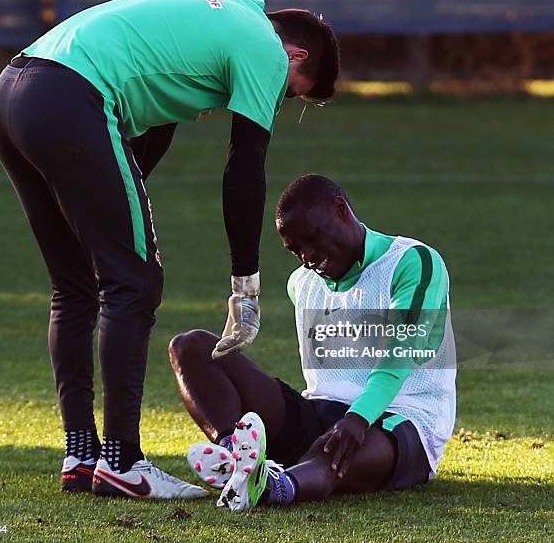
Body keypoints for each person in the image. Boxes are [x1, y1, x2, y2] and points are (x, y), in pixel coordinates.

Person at [0, 0, 340, 499]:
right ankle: (122, 462)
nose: (277, 98)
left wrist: (110, 205)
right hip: (70, 98)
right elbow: (244, 168)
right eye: (290, 91)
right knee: (134, 281)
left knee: (77, 284)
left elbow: (155, 124)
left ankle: (82, 456)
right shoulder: (265, 48)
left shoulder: (225, 9)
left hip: (13, 92)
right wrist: (245, 282)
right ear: (295, 54)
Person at [169, 174, 456, 510]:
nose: (306, 255)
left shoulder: (413, 262)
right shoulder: (301, 283)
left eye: (311, 238)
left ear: (341, 210)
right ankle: (236, 457)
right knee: (190, 347)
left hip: (401, 421)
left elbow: (398, 357)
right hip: (321, 412)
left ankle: (274, 486)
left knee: (330, 453)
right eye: (294, 249)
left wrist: (357, 418)